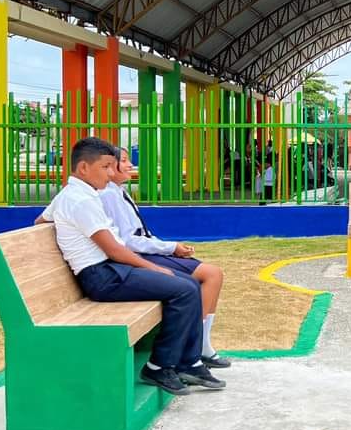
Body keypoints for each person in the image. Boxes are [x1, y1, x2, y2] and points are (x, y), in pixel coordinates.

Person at [36, 137, 223, 396]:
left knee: (188, 284)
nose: (110, 173)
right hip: (102, 276)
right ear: (83, 168)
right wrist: (153, 268)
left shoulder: (74, 194)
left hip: (109, 269)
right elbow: (114, 249)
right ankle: (159, 366)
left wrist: (68, 235)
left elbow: (40, 221)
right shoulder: (80, 201)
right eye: (105, 167)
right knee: (183, 289)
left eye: (112, 166)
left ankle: (188, 362)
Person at [97, 147, 230, 369]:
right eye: (124, 160)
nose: (130, 165)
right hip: (136, 257)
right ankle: (195, 346)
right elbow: (128, 241)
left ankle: (201, 344)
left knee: (212, 275)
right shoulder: (109, 194)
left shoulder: (119, 192)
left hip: (143, 252)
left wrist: (170, 247)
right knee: (210, 275)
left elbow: (141, 233)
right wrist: (169, 247)